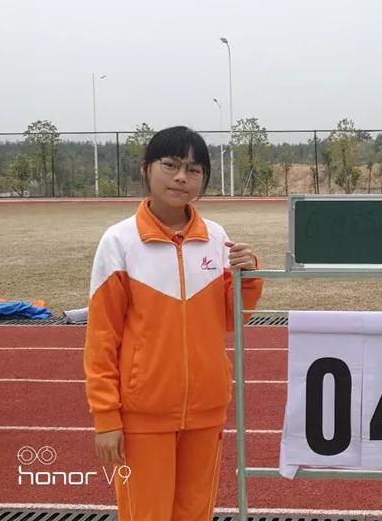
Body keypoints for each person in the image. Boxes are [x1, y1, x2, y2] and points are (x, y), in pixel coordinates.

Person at [84, 126, 264, 521]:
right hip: (142, 415)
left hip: (206, 411)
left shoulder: (216, 238)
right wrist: (106, 417)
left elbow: (230, 320)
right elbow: (101, 338)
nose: (182, 177)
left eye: (194, 170)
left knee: (195, 514)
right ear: (146, 169)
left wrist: (247, 280)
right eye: (170, 165)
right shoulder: (119, 241)